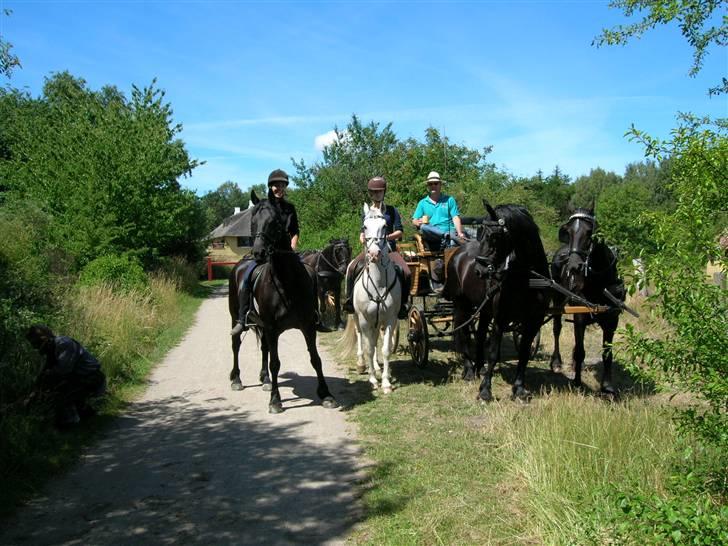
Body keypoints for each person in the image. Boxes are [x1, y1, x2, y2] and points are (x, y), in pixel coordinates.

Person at [231, 168, 300, 335]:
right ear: (270, 187)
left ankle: (312, 314)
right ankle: (243, 317)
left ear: (285, 187)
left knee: (309, 273)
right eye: (276, 185)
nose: (279, 188)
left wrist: (293, 245)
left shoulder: (290, 208)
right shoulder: (264, 206)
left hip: (286, 253)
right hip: (266, 252)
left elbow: (295, 230)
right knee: (247, 276)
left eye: (282, 185)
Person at [343, 176, 411, 320]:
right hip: (370, 250)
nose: (376, 194)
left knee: (406, 272)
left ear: (384, 192)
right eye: (374, 192)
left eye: (379, 192)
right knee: (351, 268)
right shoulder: (366, 211)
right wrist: (362, 236)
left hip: (389, 250)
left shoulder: (391, 210)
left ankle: (403, 304)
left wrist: (387, 237)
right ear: (370, 193)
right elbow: (363, 230)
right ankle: (349, 301)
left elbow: (400, 231)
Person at [25, 324, 106, 428]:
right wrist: (33, 394)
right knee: (54, 387)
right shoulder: (52, 349)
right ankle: (83, 415)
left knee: (59, 391)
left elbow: (63, 371)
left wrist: (46, 381)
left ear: (43, 339)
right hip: (81, 379)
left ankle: (71, 422)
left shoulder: (64, 344)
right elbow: (44, 373)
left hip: (93, 379)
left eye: (35, 344)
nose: (35, 348)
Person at [411, 171, 466, 250]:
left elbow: (455, 217)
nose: (433, 186)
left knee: (455, 242)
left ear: (440, 185)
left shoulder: (449, 200)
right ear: (428, 186)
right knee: (423, 227)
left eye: (436, 183)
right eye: (430, 184)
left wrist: (460, 233)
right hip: (432, 234)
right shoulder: (422, 203)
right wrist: (418, 222)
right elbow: (414, 220)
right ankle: (444, 235)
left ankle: (446, 236)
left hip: (449, 231)